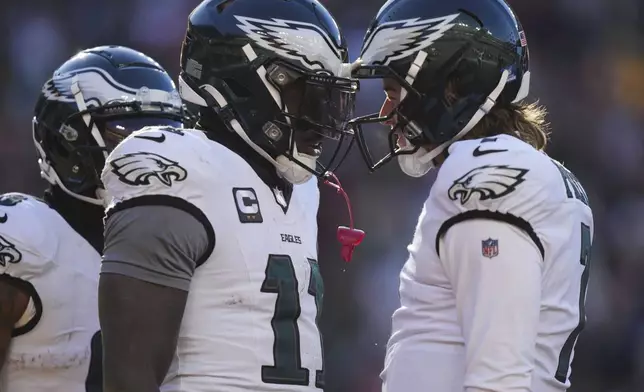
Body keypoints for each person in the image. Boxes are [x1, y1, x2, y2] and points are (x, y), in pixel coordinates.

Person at [98, 1, 359, 391]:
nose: (322, 118)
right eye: (307, 95)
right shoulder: (180, 167)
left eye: (331, 98)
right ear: (242, 80)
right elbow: (130, 373)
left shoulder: (303, 191)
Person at [349, 0, 594, 391]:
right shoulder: (520, 167)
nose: (386, 110)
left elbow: (498, 377)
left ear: (450, 83)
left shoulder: (483, 173)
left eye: (394, 91)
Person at [0, 45, 186, 392]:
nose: (152, 157)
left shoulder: (184, 245)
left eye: (163, 137)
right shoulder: (24, 238)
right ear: (66, 141)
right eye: (125, 137)